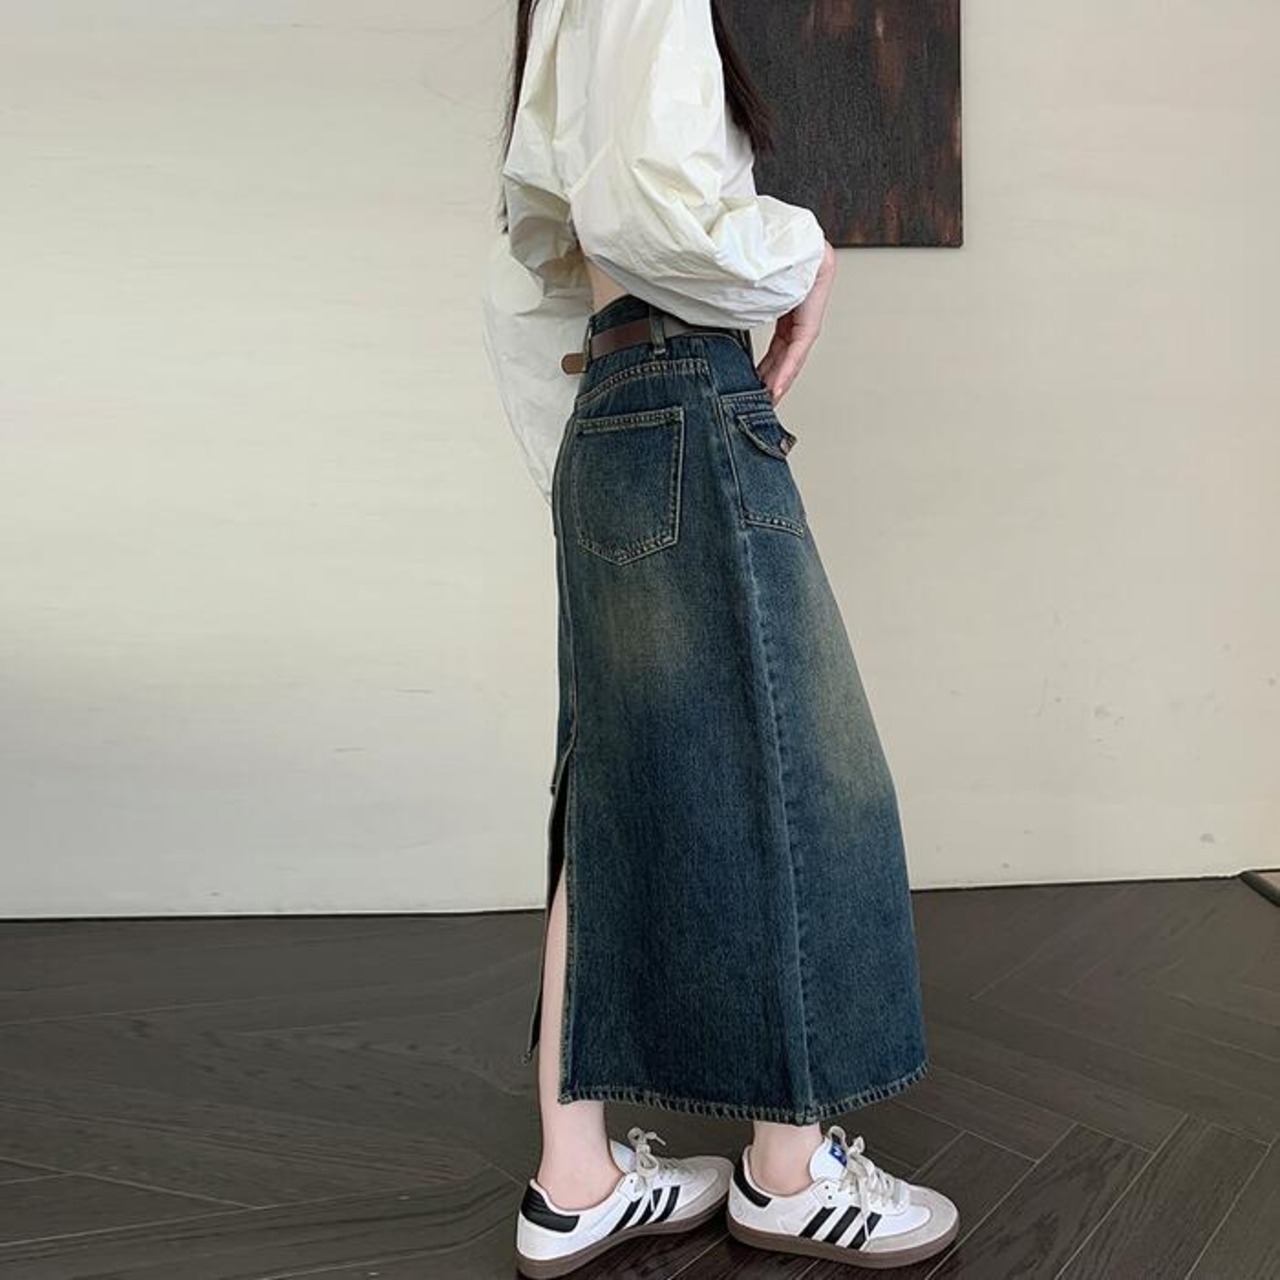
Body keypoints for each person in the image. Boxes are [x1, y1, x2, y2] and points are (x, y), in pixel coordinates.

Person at [480, 2, 959, 1273]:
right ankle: (788, 1171)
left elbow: (532, 264)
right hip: (686, 388)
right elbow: (645, 214)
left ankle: (574, 1178)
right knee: (803, 778)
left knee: (614, 793)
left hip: (614, 403)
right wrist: (804, 257)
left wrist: (588, 449)